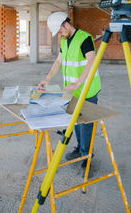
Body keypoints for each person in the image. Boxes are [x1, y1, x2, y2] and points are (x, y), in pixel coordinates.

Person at [38, 11, 101, 174]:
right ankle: (80, 149)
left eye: (60, 31)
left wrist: (78, 83)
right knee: (75, 122)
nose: (60, 35)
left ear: (66, 24)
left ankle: (87, 158)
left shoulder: (84, 38)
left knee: (86, 125)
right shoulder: (65, 41)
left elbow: (92, 60)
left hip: (87, 90)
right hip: (72, 92)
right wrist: (47, 79)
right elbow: (59, 60)